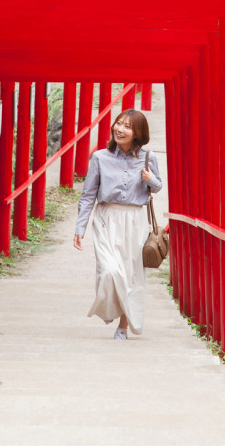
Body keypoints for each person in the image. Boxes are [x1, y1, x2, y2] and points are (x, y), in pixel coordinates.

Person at [73, 109, 163, 340]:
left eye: (127, 126)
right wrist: (80, 228)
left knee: (131, 276)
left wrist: (149, 179)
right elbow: (88, 195)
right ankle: (110, 307)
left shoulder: (148, 158)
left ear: (138, 133)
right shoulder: (100, 157)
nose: (119, 129)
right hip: (106, 218)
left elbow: (157, 186)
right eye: (118, 123)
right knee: (110, 271)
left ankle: (122, 327)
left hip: (135, 221)